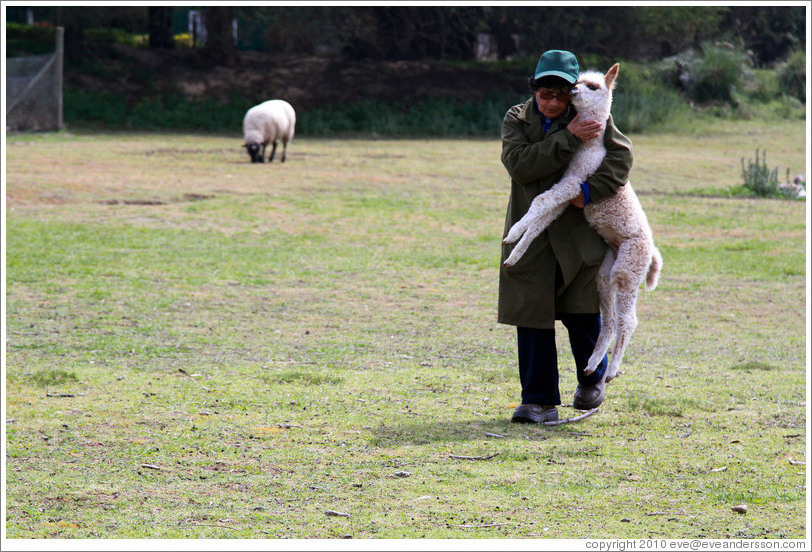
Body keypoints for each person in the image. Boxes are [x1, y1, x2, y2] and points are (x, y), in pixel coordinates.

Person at [498, 49, 634, 423]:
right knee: (532, 314)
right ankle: (537, 401)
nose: (554, 101)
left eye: (561, 92)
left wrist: (588, 194)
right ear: (534, 89)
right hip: (534, 231)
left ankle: (592, 381)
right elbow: (521, 166)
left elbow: (621, 159)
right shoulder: (517, 118)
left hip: (579, 234)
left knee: (583, 310)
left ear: (573, 90)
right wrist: (570, 138)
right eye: (545, 93)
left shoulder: (592, 114)